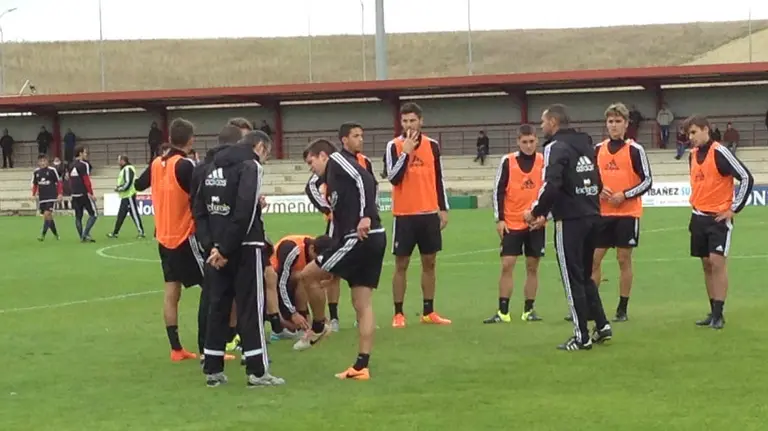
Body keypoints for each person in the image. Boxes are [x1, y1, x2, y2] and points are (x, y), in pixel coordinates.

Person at [194, 130, 285, 388]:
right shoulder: (250, 166)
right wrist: (226, 248)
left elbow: (199, 209)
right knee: (250, 307)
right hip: (245, 246)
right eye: (266, 153)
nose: (265, 159)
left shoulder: (209, 166)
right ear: (260, 146)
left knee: (217, 306)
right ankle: (257, 371)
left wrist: (212, 246)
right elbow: (243, 211)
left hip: (215, 250)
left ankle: (212, 369)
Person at [295, 138, 385, 380]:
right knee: (362, 303)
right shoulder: (332, 183)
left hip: (360, 237)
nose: (311, 167)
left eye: (311, 162)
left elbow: (365, 179)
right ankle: (361, 366)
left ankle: (318, 326)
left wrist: (366, 215)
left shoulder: (337, 161)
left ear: (323, 155)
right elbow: (335, 218)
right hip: (371, 238)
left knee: (307, 275)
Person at [524, 104, 612, 351]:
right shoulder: (586, 144)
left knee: (572, 279)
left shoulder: (555, 147)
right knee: (584, 276)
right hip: (592, 214)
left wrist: (536, 212)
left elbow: (552, 184)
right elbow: (596, 181)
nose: (542, 126)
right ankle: (602, 325)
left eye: (543, 122)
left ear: (553, 122)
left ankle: (581, 336)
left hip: (571, 220)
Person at [135, 118, 205, 362]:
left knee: (171, 292)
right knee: (214, 288)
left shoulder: (157, 163)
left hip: (163, 237)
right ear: (190, 140)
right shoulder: (185, 165)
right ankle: (209, 347)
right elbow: (202, 193)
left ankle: (176, 349)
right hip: (185, 236)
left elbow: (138, 184)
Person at [304, 122, 376, 332]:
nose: (360, 140)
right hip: (341, 228)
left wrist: (366, 213)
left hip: (361, 228)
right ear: (345, 139)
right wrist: (328, 210)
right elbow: (311, 186)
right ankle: (333, 318)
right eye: (356, 136)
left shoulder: (364, 162)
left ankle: (357, 320)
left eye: (361, 135)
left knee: (355, 279)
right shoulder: (335, 163)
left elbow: (369, 184)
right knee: (331, 272)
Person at [384, 102, 451, 328]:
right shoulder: (393, 146)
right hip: (404, 214)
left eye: (412, 120)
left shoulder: (432, 146)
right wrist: (406, 152)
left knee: (429, 263)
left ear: (421, 121)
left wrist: (443, 208)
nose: (409, 125)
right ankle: (398, 313)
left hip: (429, 213)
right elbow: (393, 177)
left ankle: (428, 311)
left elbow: (438, 178)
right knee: (401, 264)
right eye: (405, 121)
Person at [684, 114, 753, 330]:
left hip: (718, 219)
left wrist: (733, 209)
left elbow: (746, 177)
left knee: (717, 262)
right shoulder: (692, 155)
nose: (691, 137)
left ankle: (719, 314)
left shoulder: (720, 152)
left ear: (706, 129)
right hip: (698, 217)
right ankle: (712, 310)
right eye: (688, 133)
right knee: (706, 264)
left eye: (694, 132)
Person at [591, 103, 653, 322]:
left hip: (627, 214)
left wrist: (625, 195)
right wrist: (598, 189)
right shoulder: (597, 149)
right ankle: (591, 306)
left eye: (618, 121)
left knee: (623, 260)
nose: (614, 125)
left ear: (626, 124)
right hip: (602, 214)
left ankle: (622, 308)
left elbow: (647, 180)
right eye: (610, 121)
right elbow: (588, 178)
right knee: (593, 260)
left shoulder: (635, 150)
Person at [484, 124, 545, 324]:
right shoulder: (508, 161)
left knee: (532, 266)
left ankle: (529, 310)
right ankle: (503, 312)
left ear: (537, 140)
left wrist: (544, 216)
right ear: (518, 141)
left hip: (536, 224)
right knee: (507, 265)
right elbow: (498, 191)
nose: (528, 145)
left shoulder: (543, 161)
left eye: (531, 141)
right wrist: (499, 219)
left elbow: (550, 191)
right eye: (524, 142)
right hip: (511, 222)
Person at [269, 234, 333, 333]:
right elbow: (281, 283)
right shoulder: (291, 249)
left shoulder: (316, 246)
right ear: (312, 249)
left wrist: (319, 315)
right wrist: (292, 313)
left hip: (287, 285)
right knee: (303, 276)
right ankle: (279, 327)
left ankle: (305, 320)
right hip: (270, 286)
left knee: (308, 277)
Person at [108, 155, 146, 239]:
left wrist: (119, 188)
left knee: (134, 214)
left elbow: (128, 182)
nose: (118, 162)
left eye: (118, 160)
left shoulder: (127, 168)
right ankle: (115, 232)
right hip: (125, 196)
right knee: (121, 215)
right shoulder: (125, 169)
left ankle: (141, 232)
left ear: (122, 161)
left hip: (129, 195)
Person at [69, 146, 98, 243]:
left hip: (74, 194)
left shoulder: (71, 165)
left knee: (78, 217)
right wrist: (91, 193)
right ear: (80, 153)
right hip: (83, 194)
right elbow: (86, 180)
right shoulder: (84, 164)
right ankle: (85, 234)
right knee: (93, 215)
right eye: (85, 153)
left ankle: (82, 236)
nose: (86, 154)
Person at [32, 155, 63, 241]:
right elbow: (35, 184)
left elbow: (59, 182)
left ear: (47, 161)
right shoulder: (36, 172)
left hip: (51, 197)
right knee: (48, 217)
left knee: (47, 214)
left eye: (44, 161)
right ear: (38, 162)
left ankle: (42, 235)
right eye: (41, 161)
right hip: (42, 198)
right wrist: (33, 194)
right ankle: (56, 235)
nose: (43, 163)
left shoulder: (52, 170)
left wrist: (60, 194)